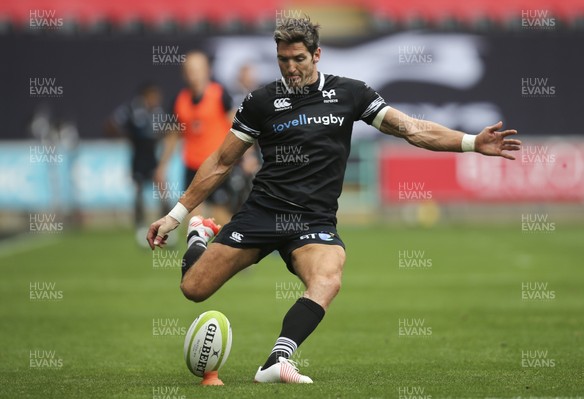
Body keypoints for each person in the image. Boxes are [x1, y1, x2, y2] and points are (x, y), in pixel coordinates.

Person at [147, 17, 521, 383]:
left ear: (317, 55)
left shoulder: (350, 94)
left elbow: (412, 129)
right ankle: (199, 235)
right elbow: (221, 161)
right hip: (263, 212)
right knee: (193, 289)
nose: (291, 68)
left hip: (313, 221)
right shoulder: (261, 101)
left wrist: (472, 142)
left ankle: (277, 360)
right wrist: (177, 215)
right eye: (283, 60)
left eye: (299, 59)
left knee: (329, 277)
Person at [154, 51, 237, 225]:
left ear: (207, 71)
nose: (194, 75)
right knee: (193, 219)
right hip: (192, 167)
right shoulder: (179, 100)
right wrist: (162, 166)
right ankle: (198, 252)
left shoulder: (220, 95)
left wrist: (247, 157)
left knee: (221, 217)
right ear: (184, 74)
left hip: (218, 165)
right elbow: (173, 136)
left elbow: (239, 128)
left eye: (198, 70)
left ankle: (234, 248)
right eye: (190, 70)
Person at [106, 82, 169, 243]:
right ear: (146, 95)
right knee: (139, 190)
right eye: (154, 96)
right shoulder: (131, 109)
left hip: (153, 154)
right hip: (139, 155)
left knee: (161, 187)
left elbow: (167, 128)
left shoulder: (158, 111)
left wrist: (161, 137)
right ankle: (140, 227)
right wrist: (127, 136)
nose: (156, 99)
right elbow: (112, 124)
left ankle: (167, 226)